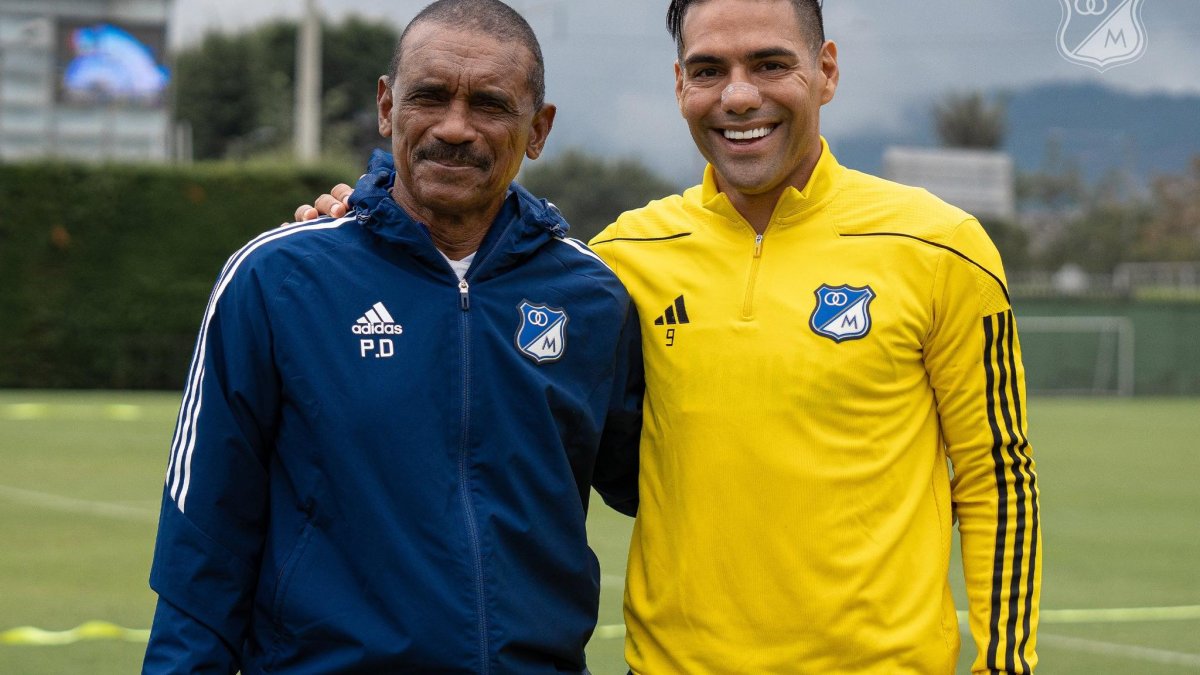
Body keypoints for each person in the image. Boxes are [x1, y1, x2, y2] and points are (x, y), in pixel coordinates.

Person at [304, 0, 1042, 672]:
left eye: (771, 64)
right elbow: (473, 324)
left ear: (826, 71)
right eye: (709, 70)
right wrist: (359, 224)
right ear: (680, 84)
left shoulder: (941, 246)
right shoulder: (618, 266)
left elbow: (996, 474)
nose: (740, 95)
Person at [143, 1, 639, 672]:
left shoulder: (594, 298)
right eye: (429, 97)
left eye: (491, 105)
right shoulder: (276, 280)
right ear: (386, 104)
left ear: (539, 128)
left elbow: (670, 491)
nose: (454, 128)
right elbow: (201, 552)